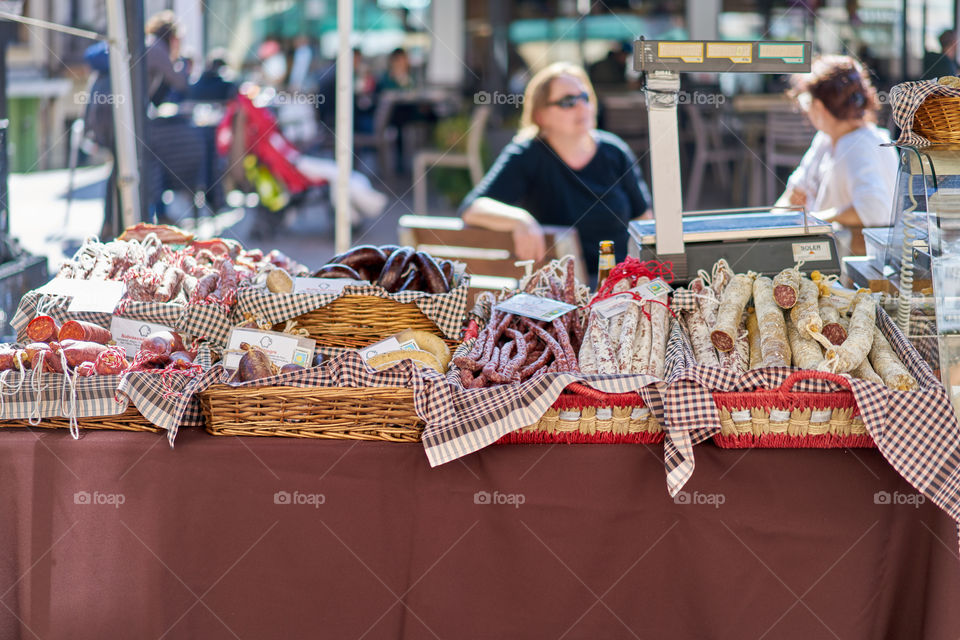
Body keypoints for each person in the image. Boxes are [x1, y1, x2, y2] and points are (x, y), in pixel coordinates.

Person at [459, 62, 651, 276]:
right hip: (559, 295)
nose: (581, 107)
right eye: (568, 101)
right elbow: (471, 208)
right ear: (540, 115)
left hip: (618, 287)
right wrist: (521, 219)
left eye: (584, 97)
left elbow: (643, 219)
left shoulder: (614, 151)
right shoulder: (528, 154)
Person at [776, 55, 898, 256]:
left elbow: (874, 209)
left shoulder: (856, 145)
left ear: (819, 107)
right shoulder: (827, 139)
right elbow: (794, 195)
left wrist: (816, 219)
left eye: (807, 102)